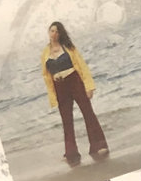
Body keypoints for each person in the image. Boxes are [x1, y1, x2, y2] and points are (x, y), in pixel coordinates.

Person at [41, 22, 109, 168]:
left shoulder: (69, 47)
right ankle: (71, 154)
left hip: (74, 81)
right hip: (59, 87)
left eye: (56, 31)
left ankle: (98, 145)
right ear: (49, 32)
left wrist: (89, 87)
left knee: (88, 113)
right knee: (67, 121)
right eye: (52, 31)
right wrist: (53, 96)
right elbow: (46, 76)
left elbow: (82, 66)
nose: (54, 34)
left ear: (60, 34)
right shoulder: (45, 53)